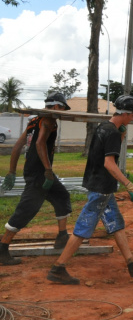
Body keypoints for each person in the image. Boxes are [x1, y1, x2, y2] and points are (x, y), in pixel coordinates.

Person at [46, 95, 133, 284]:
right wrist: (129, 185)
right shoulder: (111, 133)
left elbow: (103, 152)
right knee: (83, 227)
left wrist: (121, 132)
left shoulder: (104, 127)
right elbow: (109, 163)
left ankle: (132, 263)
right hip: (101, 188)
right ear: (127, 113)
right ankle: (58, 268)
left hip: (98, 184)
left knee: (115, 223)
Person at [0, 93, 73, 266]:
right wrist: (48, 170)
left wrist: (12, 170)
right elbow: (40, 144)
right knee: (27, 209)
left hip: (35, 171)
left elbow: (18, 145)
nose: (62, 112)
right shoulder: (49, 121)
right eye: (62, 108)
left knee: (62, 196)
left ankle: (62, 236)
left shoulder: (34, 121)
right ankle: (2, 249)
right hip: (40, 174)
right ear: (56, 107)